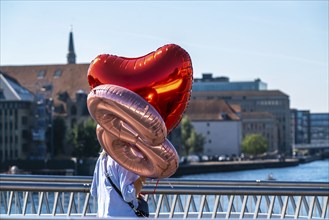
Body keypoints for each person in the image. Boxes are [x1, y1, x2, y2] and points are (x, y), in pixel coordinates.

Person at [90, 150, 146, 218]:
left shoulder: (102, 157)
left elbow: (94, 191)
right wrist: (143, 176)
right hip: (124, 216)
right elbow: (128, 195)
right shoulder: (124, 159)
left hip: (103, 215)